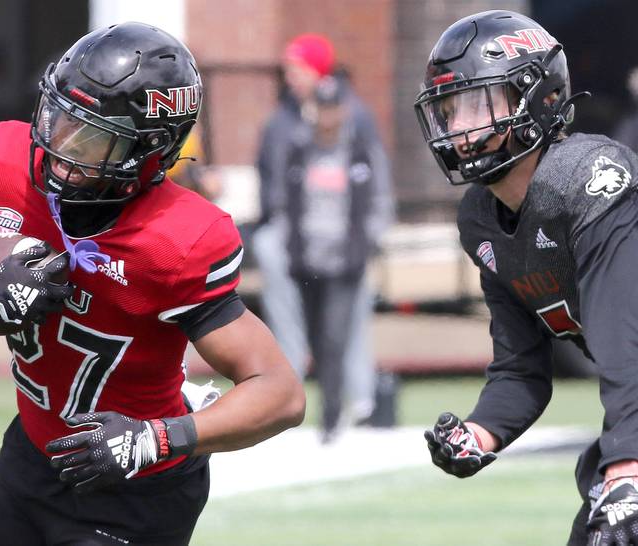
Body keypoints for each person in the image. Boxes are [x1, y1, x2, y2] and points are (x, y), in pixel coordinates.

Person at [0, 22, 305, 545]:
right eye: (59, 118)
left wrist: (158, 438)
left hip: (137, 490)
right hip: (31, 459)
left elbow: (281, 392)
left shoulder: (176, 240)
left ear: (151, 151)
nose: (60, 145)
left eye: (93, 137)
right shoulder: (0, 167)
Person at [414, 10, 638, 545]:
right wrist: (479, 433)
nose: (459, 128)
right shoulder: (482, 218)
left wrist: (628, 467)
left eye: (474, 104)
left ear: (537, 98)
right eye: (448, 110)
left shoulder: (589, 184)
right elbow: (520, 367)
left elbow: (626, 350)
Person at [254, 33, 389, 428]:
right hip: (291, 233)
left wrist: (371, 234)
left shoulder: (354, 114)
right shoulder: (282, 118)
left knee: (347, 318)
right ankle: (288, 389)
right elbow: (274, 183)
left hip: (345, 237)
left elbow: (374, 181)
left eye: (298, 68)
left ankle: (360, 401)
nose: (291, 77)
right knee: (287, 309)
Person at [283, 75, 393, 442]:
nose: (327, 116)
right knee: (315, 338)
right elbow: (287, 201)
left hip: (346, 261)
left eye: (334, 107)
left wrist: (369, 241)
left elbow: (379, 201)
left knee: (335, 336)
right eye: (322, 107)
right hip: (306, 260)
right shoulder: (300, 150)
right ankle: (329, 409)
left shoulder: (360, 151)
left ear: (344, 109)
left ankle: (331, 416)